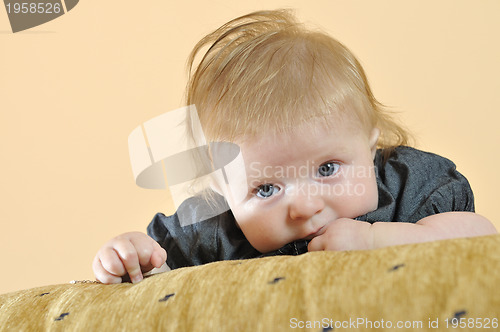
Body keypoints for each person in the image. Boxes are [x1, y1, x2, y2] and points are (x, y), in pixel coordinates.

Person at [92, 9, 497, 284]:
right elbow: (159, 267)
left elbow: (480, 236)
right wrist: (131, 254)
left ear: (369, 140)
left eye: (327, 169)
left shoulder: (409, 184)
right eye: (265, 188)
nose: (304, 206)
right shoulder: (213, 227)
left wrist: (376, 241)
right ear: (221, 189)